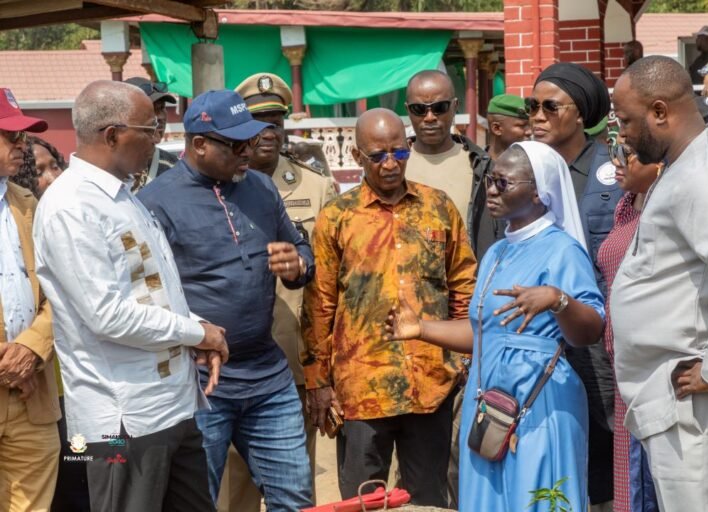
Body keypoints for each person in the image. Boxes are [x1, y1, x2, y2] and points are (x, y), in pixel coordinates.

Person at [33, 80, 229, 512]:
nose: (158, 138)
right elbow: (108, 316)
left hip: (170, 406)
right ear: (113, 134)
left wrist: (190, 334)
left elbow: (152, 295)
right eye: (150, 128)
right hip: (120, 421)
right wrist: (195, 333)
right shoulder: (70, 206)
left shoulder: (123, 195)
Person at [386, 141, 604, 512]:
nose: (490, 189)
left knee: (536, 500)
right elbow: (485, 334)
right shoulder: (496, 252)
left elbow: (592, 330)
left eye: (503, 183)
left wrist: (558, 300)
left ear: (539, 192)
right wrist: (421, 329)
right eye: (490, 179)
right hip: (487, 405)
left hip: (539, 407)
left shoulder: (562, 250)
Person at [138, 89, 314, 511]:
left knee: (296, 499)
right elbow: (146, 298)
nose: (248, 153)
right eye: (237, 145)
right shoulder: (155, 203)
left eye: (251, 141)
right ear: (199, 144)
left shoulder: (260, 188)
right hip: (202, 383)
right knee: (199, 500)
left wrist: (298, 265)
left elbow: (300, 250)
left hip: (269, 376)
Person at [611, 55, 708, 510]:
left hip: (694, 404)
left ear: (660, 112)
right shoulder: (687, 165)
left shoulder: (703, 173)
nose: (622, 134)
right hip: (679, 400)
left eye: (626, 120)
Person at [302, 108, 477, 507]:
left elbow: (463, 282)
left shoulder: (438, 207)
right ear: (358, 156)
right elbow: (320, 305)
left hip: (431, 383)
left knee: (427, 498)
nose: (389, 164)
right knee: (364, 501)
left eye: (398, 153)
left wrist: (464, 354)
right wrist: (318, 382)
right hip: (362, 389)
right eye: (378, 155)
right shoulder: (337, 217)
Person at [211, 73, 336, 511]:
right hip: (233, 364)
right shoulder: (219, 190)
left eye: (276, 121)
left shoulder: (316, 187)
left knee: (295, 483)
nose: (269, 132)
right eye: (258, 122)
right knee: (234, 486)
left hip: (297, 359)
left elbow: (329, 279)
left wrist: (324, 367)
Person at [529, 61, 619, 509]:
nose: (537, 116)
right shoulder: (527, 173)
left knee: (604, 461)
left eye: (550, 106)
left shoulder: (612, 176)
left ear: (581, 113)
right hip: (543, 343)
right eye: (532, 106)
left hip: (600, 343)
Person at [0, 87, 61, 511]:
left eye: (23, 137)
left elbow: (61, 290)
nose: (22, 146)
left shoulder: (28, 204)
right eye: (10, 136)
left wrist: (31, 347)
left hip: (30, 392)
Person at [596, 141, 661, 512]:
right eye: (613, 150)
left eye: (628, 154)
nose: (615, 163)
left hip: (659, 372)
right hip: (624, 374)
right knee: (630, 491)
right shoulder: (624, 206)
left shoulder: (666, 206)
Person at [405, 69, 498, 260]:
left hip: (466, 284)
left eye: (440, 107)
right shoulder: (393, 167)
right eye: (419, 109)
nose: (430, 117)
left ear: (455, 106)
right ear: (408, 110)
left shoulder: (480, 167)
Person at [124, 77, 178, 190]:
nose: (161, 117)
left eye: (162, 108)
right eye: (152, 109)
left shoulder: (174, 168)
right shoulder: (104, 170)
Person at [486, 93, 531, 160]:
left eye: (530, 125)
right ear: (497, 129)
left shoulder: (535, 166)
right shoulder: (472, 166)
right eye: (522, 126)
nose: (529, 132)